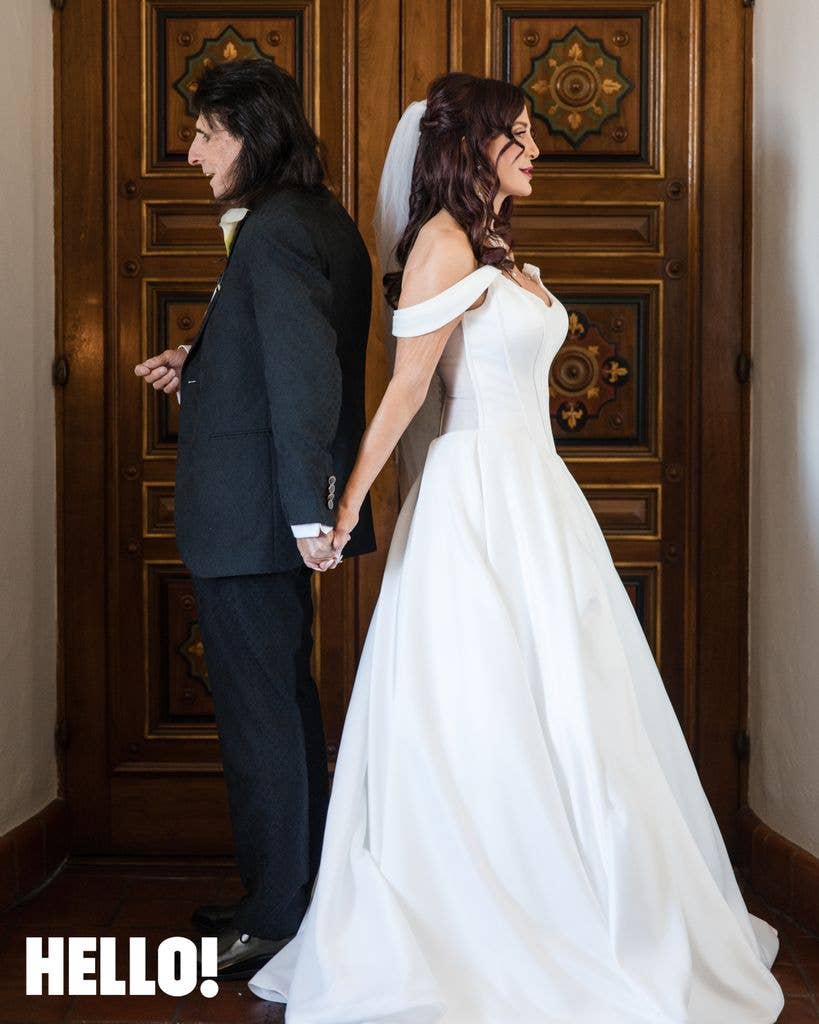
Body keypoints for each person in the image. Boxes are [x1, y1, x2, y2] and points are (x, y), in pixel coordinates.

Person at [247, 72, 785, 1022]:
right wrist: (341, 512)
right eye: (519, 138)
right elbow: (407, 393)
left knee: (573, 711)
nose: (536, 152)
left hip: (537, 497)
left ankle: (582, 894)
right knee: (481, 706)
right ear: (470, 149)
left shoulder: (491, 243)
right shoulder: (444, 248)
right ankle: (491, 918)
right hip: (476, 501)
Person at [134, 58, 375, 978]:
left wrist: (306, 513)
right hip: (263, 517)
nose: (192, 156)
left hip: (254, 523)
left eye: (206, 135)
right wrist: (197, 363)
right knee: (281, 706)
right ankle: (291, 894)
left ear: (253, 133)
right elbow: (277, 351)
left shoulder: (273, 231)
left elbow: (304, 377)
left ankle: (275, 916)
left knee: (261, 719)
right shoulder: (311, 221)